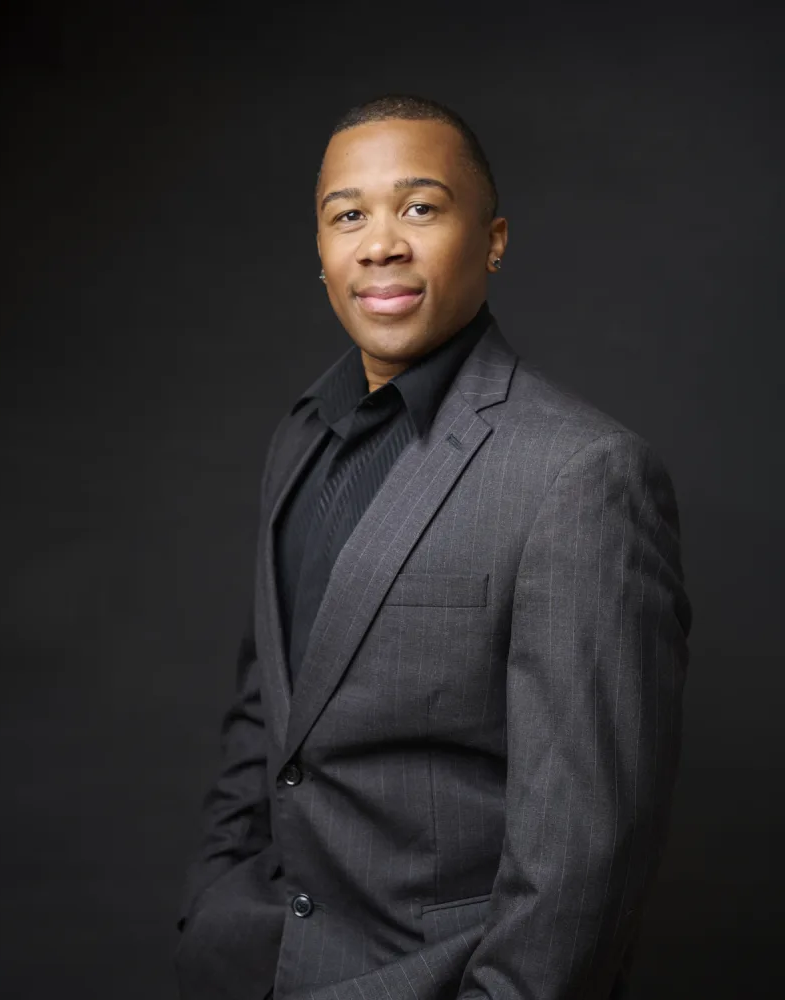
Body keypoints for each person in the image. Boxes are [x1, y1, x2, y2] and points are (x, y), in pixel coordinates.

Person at [174, 94, 692, 1000]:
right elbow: (270, 710)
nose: (381, 243)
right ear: (323, 255)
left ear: (492, 239)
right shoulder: (300, 439)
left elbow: (584, 860)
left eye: (420, 207)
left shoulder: (583, 475)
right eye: (348, 217)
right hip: (252, 964)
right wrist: (216, 898)